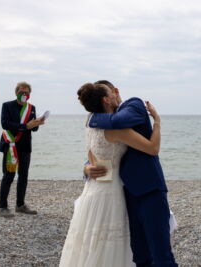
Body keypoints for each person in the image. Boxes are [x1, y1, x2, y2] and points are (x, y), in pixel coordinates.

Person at [59, 82, 166, 267]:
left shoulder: (90, 123)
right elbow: (152, 148)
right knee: (110, 244)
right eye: (111, 92)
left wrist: (86, 169)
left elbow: (91, 157)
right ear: (106, 99)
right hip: (112, 192)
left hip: (92, 191)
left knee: (89, 241)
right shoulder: (115, 129)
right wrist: (157, 122)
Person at [0, 82, 44, 218]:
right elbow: (5, 124)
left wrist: (37, 124)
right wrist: (25, 126)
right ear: (16, 92)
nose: (24, 94)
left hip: (25, 146)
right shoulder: (7, 105)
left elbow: (33, 128)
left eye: (27, 92)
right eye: (22, 92)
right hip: (11, 144)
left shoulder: (31, 108)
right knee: (8, 176)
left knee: (23, 175)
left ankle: (20, 205)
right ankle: (3, 207)